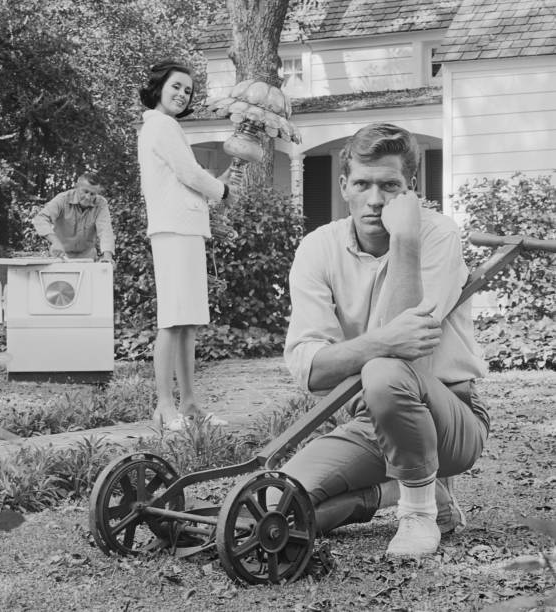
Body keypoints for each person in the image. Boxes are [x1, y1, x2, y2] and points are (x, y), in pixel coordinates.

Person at [279, 123, 489, 557]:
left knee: (385, 370)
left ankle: (417, 514)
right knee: (280, 506)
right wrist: (382, 342)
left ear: (411, 187)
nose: (375, 200)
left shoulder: (437, 236)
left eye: (390, 186)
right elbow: (311, 370)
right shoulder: (318, 248)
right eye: (362, 184)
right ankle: (391, 494)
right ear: (344, 186)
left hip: (450, 420)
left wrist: (406, 241)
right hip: (371, 423)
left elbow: (404, 354)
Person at [137, 60, 233, 431]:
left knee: (188, 323)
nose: (181, 94)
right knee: (173, 320)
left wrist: (218, 188)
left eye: (188, 91)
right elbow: (189, 174)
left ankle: (190, 403)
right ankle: (165, 406)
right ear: (159, 87)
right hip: (173, 231)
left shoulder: (169, 127)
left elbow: (190, 183)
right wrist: (222, 190)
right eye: (176, 86)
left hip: (187, 229)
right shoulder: (159, 125)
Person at [33, 172, 115, 264]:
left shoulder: (101, 204)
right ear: (76, 187)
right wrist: (55, 242)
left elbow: (105, 230)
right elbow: (41, 218)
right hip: (61, 256)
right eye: (85, 192)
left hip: (88, 258)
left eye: (92, 194)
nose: (88, 197)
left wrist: (107, 257)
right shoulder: (62, 199)